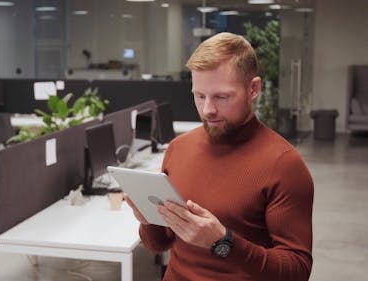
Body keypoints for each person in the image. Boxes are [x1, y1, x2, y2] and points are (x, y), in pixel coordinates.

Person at [125, 32, 314, 280]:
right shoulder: (178, 148)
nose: (208, 110)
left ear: (253, 88)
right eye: (199, 96)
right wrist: (148, 220)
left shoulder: (284, 165)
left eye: (222, 97)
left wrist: (221, 242)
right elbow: (159, 245)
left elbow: (297, 271)